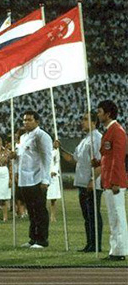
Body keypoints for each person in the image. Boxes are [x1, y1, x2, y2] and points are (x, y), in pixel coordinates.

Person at [60, 112, 102, 253]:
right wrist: (59, 149)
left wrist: (92, 180)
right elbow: (73, 159)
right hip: (82, 182)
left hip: (91, 183)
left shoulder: (97, 139)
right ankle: (90, 244)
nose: (82, 122)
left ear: (94, 122)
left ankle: (96, 244)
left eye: (85, 119)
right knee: (87, 216)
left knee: (93, 215)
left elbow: (100, 163)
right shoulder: (85, 139)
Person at [11, 111, 52, 249]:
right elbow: (21, 157)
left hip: (37, 178)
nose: (26, 122)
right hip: (25, 179)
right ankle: (33, 238)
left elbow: (47, 158)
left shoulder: (42, 136)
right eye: (24, 120)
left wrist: (45, 180)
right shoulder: (23, 137)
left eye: (29, 120)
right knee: (31, 210)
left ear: (37, 121)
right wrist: (14, 158)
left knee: (40, 210)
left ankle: (42, 240)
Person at [94, 100, 127, 261]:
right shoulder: (109, 130)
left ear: (108, 114)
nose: (98, 114)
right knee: (112, 217)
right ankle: (115, 250)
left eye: (100, 111)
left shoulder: (117, 131)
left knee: (118, 216)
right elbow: (107, 157)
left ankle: (120, 250)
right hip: (109, 180)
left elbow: (118, 159)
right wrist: (98, 165)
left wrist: (114, 181)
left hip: (116, 182)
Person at [46, 140, 62, 222]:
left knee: (53, 198)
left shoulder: (56, 152)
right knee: (44, 196)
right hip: (45, 175)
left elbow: (57, 162)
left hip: (53, 175)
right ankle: (45, 215)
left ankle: (52, 216)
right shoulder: (44, 150)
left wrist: (54, 171)